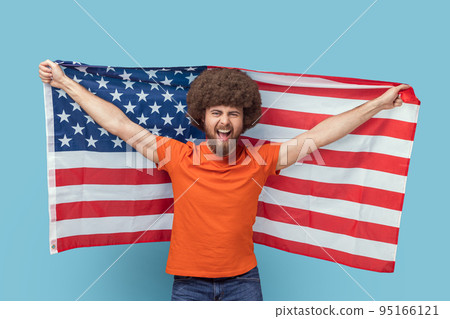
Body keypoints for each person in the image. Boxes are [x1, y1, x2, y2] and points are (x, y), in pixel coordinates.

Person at [38, 59, 409, 301]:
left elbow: (321, 135)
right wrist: (65, 83)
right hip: (189, 285)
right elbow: (119, 124)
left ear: (245, 119)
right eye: (217, 112)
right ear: (202, 116)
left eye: (234, 113)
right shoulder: (178, 156)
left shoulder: (263, 159)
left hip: (244, 283)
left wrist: (377, 104)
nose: (225, 120)